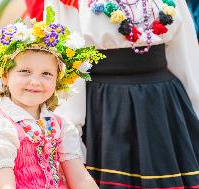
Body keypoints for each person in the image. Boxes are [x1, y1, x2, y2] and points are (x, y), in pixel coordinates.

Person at [44, 0, 199, 188]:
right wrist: (71, 139)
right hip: (107, 108)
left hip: (163, 106)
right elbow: (69, 65)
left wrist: (195, 108)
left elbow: (185, 55)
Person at [0, 7, 103, 189]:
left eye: (46, 73)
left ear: (58, 80)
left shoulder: (60, 126)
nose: (35, 82)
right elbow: (5, 186)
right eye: (25, 71)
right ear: (5, 76)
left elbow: (80, 180)